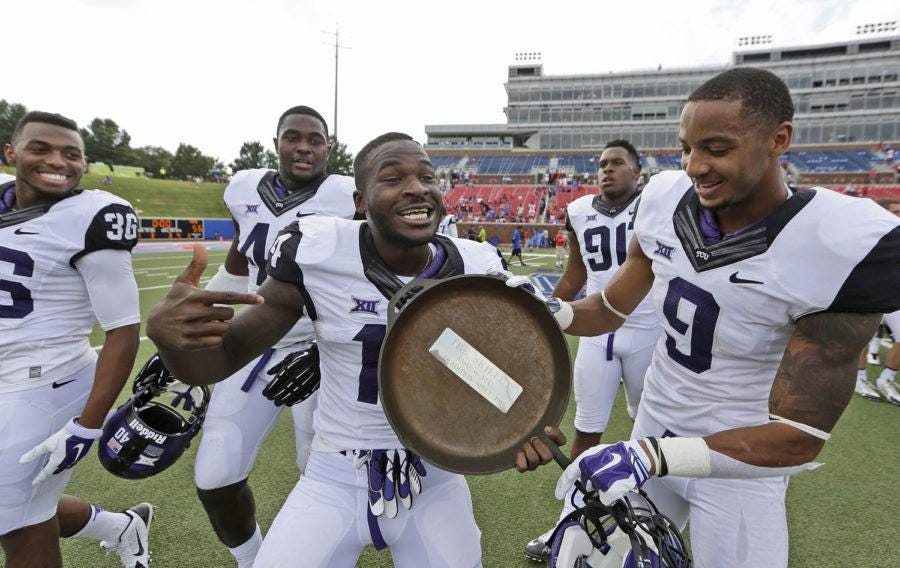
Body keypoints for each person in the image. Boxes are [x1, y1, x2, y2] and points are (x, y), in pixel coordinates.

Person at [515, 68, 900, 567]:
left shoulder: (837, 242)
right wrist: (556, 311)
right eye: (686, 148)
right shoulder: (664, 197)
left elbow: (798, 436)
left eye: (716, 148)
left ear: (778, 139)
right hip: (656, 419)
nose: (695, 165)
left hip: (738, 459)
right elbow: (610, 309)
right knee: (598, 559)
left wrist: (652, 456)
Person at [146, 133, 504, 567]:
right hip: (335, 473)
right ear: (360, 201)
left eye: (427, 176)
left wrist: (521, 427)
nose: (416, 187)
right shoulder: (318, 251)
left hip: (435, 477)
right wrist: (169, 339)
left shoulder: (476, 265)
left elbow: (500, 384)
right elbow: (220, 360)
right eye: (393, 178)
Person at [190, 105, 358, 568]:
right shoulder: (244, 187)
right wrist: (194, 327)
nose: (303, 147)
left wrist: (336, 349)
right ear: (277, 141)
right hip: (256, 343)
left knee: (322, 472)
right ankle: (253, 560)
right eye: (293, 137)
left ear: (329, 147)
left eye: (315, 139)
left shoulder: (348, 196)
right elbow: (239, 264)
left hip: (324, 348)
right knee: (215, 475)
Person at [0, 111, 152, 568]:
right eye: (40, 148)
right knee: (16, 507)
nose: (57, 161)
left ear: (85, 163)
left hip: (47, 379)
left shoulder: (91, 217)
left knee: (18, 523)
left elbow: (123, 330)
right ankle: (121, 527)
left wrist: (87, 425)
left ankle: (120, 527)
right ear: (11, 154)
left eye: (71, 154)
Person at [523, 140, 661, 562]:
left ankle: (650, 525)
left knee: (650, 433)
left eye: (618, 163)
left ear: (638, 172)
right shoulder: (580, 210)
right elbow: (574, 273)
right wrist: (535, 313)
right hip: (597, 332)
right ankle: (571, 519)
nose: (607, 170)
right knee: (586, 428)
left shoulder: (656, 205)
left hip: (649, 329)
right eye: (602, 164)